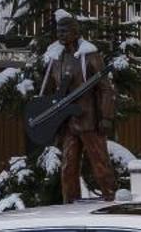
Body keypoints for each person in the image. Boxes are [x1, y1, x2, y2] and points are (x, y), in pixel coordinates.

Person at [41, 18, 119, 200]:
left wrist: (106, 117)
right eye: (59, 31)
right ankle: (70, 204)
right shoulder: (56, 59)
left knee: (100, 164)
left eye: (65, 31)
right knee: (68, 167)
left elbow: (105, 89)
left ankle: (112, 199)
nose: (60, 34)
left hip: (90, 121)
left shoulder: (90, 56)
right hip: (67, 123)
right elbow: (51, 93)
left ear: (76, 32)